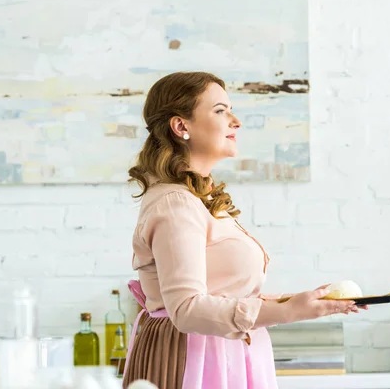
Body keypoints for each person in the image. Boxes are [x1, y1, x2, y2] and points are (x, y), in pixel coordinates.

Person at [122, 71, 365, 389]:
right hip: (197, 361)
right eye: (221, 110)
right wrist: (289, 311)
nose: (235, 121)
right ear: (181, 126)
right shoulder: (175, 204)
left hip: (218, 354)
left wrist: (302, 303)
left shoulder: (195, 199)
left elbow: (221, 294)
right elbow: (186, 309)